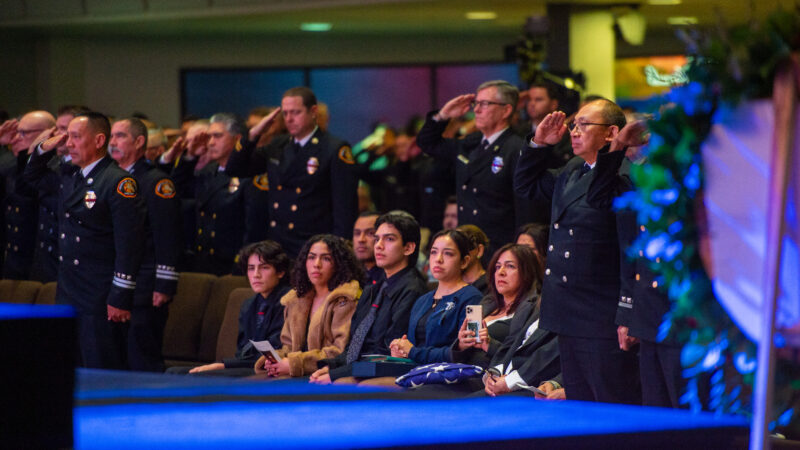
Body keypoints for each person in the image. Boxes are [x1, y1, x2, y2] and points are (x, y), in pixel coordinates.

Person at [513, 99, 640, 404]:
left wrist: (628, 310)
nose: (575, 131)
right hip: (567, 308)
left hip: (600, 309)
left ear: (610, 133)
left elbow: (629, 251)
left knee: (607, 401)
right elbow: (526, 186)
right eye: (574, 124)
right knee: (579, 403)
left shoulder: (624, 176)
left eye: (584, 125)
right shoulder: (573, 169)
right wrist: (539, 145)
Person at [32, 112, 146, 369]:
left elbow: (129, 244)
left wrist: (119, 296)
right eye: (67, 137)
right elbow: (31, 179)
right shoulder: (72, 176)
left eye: (75, 136)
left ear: (98, 141)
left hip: (99, 291)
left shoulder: (118, 182)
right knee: (71, 364)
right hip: (70, 287)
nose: (68, 143)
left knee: (101, 365)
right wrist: (42, 149)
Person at [226, 87, 359, 257]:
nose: (289, 119)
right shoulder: (279, 145)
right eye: (286, 113)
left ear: (313, 111)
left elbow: (345, 206)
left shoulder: (333, 148)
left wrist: (339, 249)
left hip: (313, 246)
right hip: (278, 244)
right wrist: (252, 135)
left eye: (296, 112)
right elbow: (234, 168)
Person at [309, 212, 428, 384]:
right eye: (377, 238)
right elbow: (354, 345)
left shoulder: (413, 290)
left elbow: (385, 353)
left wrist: (337, 374)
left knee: (337, 385)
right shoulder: (374, 288)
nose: (378, 245)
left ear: (408, 248)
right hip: (362, 367)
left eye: (389, 239)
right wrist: (332, 367)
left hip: (389, 369)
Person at [417, 80, 530, 260]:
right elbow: (427, 143)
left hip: (499, 249)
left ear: (506, 110)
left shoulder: (517, 148)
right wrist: (443, 115)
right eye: (475, 104)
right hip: (467, 246)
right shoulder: (471, 143)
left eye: (484, 104)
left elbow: (525, 207)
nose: (476, 110)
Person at [108, 117, 182, 371]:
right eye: (111, 136)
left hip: (146, 283)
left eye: (120, 136)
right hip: (118, 283)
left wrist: (163, 284)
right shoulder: (113, 180)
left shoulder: (156, 182)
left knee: (142, 355)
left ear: (140, 142)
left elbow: (167, 236)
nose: (112, 142)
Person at [255, 234, 362, 378]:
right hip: (296, 375)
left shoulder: (345, 299)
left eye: (326, 258)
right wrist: (275, 360)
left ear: (339, 264)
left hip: (323, 376)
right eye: (311, 257)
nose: (316, 264)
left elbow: (340, 352)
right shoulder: (296, 299)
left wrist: (294, 364)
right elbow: (288, 347)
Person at [185, 241, 291, 376]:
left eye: (264, 268)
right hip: (244, 364)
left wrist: (225, 365)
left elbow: (274, 352)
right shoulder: (249, 304)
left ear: (280, 272)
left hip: (267, 367)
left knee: (198, 376)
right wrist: (226, 364)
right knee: (173, 373)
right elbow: (242, 350)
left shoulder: (288, 302)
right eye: (251, 268)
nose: (256, 275)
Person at [388, 229, 482, 365]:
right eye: (433, 252)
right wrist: (401, 350)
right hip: (415, 372)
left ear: (464, 261)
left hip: (449, 377)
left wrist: (413, 352)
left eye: (448, 254)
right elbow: (412, 347)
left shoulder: (473, 299)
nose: (438, 259)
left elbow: (470, 350)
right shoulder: (422, 300)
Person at [193, 113, 269, 275]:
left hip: (230, 265)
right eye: (210, 137)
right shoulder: (208, 172)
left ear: (238, 139)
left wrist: (241, 266)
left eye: (218, 136)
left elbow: (253, 229)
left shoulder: (250, 177)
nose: (211, 142)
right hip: (204, 262)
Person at [25, 105, 89, 282]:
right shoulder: (54, 162)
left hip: (69, 259)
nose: (58, 135)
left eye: (64, 129)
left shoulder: (85, 170)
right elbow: (30, 178)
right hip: (46, 258)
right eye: (58, 128)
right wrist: (40, 149)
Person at [0, 111, 55, 279]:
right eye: (16, 132)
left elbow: (26, 192)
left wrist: (32, 153)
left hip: (40, 264)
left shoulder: (53, 168)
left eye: (23, 133)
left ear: (47, 134)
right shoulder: (9, 164)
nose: (15, 138)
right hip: (12, 262)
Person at [456, 224, 489, 293]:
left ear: (479, 250)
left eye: (463, 247)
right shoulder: (449, 284)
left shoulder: (491, 286)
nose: (457, 252)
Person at [352, 210, 382, 286]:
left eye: (370, 233)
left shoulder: (390, 278)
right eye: (357, 233)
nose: (361, 239)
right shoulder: (347, 276)